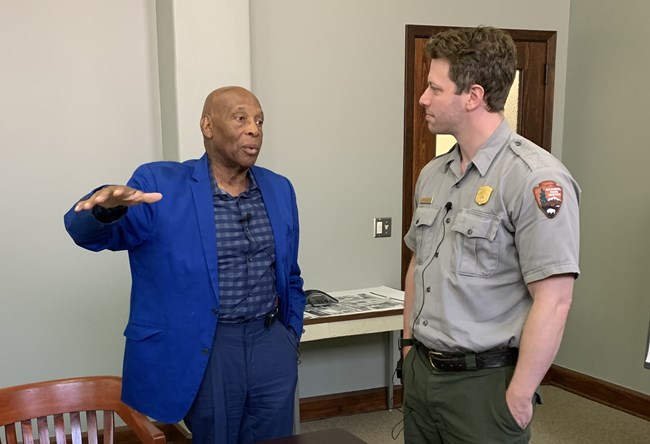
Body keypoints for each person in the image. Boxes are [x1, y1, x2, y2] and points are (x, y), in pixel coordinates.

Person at [64, 86, 306, 444]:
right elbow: (91, 235)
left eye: (259, 121)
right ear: (207, 126)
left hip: (269, 341)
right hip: (208, 345)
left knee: (276, 439)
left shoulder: (279, 188)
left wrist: (289, 335)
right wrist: (105, 209)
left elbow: (289, 273)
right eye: (241, 118)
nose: (254, 129)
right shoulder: (160, 184)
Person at [400, 26, 580, 443]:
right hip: (423, 374)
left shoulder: (534, 178)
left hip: (483, 385)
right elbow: (417, 264)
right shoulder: (433, 175)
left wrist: (519, 393)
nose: (424, 98)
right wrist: (408, 347)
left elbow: (554, 301)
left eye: (434, 88)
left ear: (473, 96)